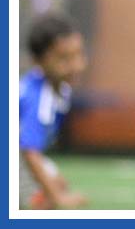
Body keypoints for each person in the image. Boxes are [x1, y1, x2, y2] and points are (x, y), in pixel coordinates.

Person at [19, 14, 89, 209]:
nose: (76, 65)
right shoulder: (37, 97)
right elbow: (29, 151)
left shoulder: (61, 89)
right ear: (38, 62)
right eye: (64, 58)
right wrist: (58, 198)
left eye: (78, 55)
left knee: (57, 184)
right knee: (46, 200)